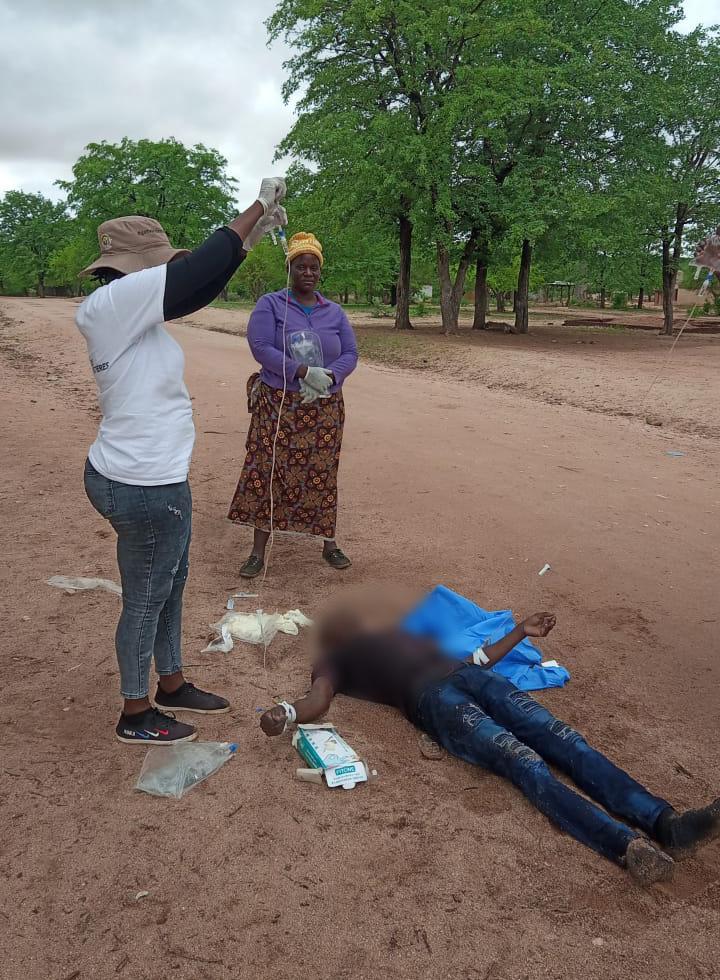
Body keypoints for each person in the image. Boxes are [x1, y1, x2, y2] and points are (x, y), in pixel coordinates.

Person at [260, 600, 719, 885]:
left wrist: (519, 631)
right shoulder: (334, 660)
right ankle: (625, 845)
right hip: (434, 702)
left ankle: (667, 824)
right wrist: (290, 713)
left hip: (473, 677)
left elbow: (474, 658)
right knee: (524, 762)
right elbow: (319, 698)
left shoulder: (402, 636)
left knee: (565, 740)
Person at [77, 177, 288, 744]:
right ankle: (134, 711)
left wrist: (248, 241)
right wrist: (255, 209)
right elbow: (191, 276)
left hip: (159, 479)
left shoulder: (131, 311)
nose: (163, 271)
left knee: (170, 584)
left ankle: (170, 683)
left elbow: (196, 291)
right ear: (129, 267)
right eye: (156, 263)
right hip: (140, 483)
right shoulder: (111, 304)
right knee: (147, 596)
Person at [227, 232, 358, 578]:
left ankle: (329, 543)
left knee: (322, 473)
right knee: (268, 471)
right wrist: (301, 371)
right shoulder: (271, 304)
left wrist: (328, 376)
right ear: (290, 269)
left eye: (314, 267)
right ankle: (258, 551)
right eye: (301, 266)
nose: (308, 272)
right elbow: (260, 347)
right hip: (279, 404)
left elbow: (350, 353)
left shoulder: (335, 311)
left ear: (320, 271)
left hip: (324, 408)